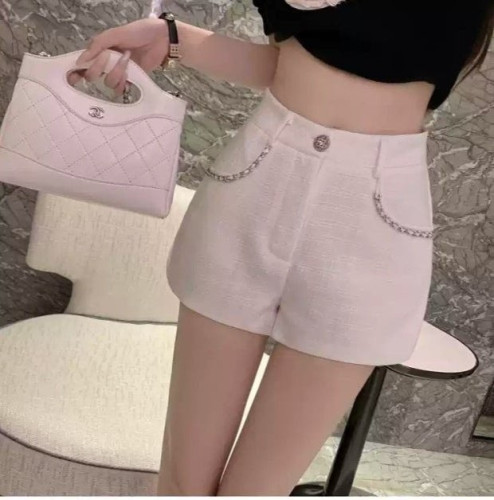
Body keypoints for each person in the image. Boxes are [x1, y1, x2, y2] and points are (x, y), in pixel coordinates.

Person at [71, 0, 493, 495]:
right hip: (257, 185)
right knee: (184, 483)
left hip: (371, 222)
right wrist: (174, 38)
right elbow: (287, 63)